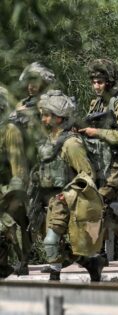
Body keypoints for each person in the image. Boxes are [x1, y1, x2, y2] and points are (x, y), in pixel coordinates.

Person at [38, 90, 105, 281]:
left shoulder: (71, 144)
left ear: (59, 118)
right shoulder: (50, 140)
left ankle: (55, 276)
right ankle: (91, 264)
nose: (43, 119)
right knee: (55, 243)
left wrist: (67, 194)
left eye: (46, 115)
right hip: (51, 199)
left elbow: (87, 175)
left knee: (51, 241)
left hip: (68, 200)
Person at [79, 59, 118, 261]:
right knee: (103, 211)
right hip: (99, 164)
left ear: (109, 83)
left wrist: (97, 132)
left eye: (100, 82)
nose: (96, 86)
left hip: (115, 166)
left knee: (97, 205)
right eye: (93, 82)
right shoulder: (95, 104)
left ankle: (96, 253)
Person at [0, 87, 30, 278]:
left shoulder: (10, 131)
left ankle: (21, 261)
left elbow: (19, 169)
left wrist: (12, 197)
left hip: (9, 191)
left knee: (12, 227)